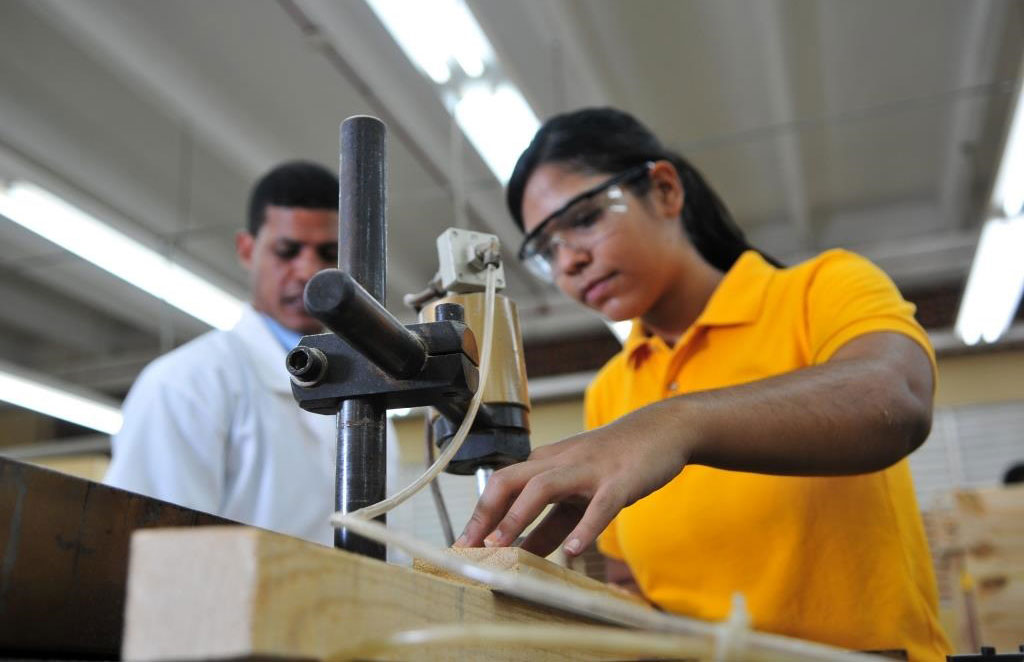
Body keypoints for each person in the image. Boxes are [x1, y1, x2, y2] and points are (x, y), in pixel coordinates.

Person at [456, 108, 951, 660]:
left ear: (665, 191)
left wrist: (676, 423)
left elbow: (895, 396)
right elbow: (634, 580)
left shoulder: (821, 291)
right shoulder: (612, 390)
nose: (569, 260)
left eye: (585, 218)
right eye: (545, 250)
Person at [106, 160, 396, 547]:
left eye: (327, 252)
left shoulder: (368, 391)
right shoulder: (185, 383)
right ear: (247, 249)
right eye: (287, 251)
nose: (308, 271)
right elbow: (154, 552)